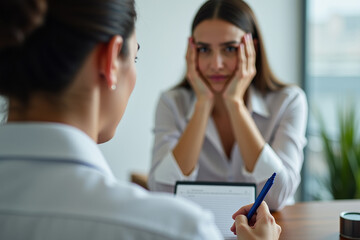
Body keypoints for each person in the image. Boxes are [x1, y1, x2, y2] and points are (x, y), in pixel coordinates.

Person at [0, 0, 281, 239]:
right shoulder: (173, 230)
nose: (216, 63)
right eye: (134, 58)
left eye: (228, 49)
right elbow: (163, 186)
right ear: (110, 60)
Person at [148, 0, 308, 211]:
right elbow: (162, 193)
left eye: (230, 49)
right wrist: (203, 104)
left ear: (252, 49)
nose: (216, 64)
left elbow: (277, 197)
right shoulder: (172, 103)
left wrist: (235, 105)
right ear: (192, 52)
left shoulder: (289, 101)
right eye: (204, 49)